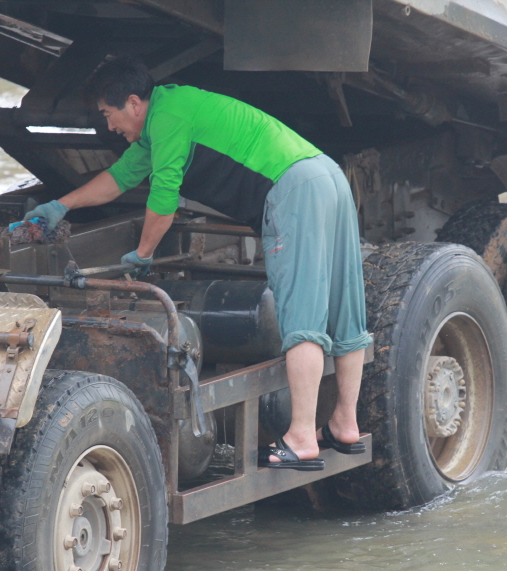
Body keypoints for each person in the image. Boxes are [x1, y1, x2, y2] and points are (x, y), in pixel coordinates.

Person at [23, 56, 371, 470]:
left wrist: (144, 253)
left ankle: (300, 438)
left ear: (133, 103)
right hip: (325, 175)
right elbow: (118, 179)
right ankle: (344, 425)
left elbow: (164, 199)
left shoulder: (168, 120)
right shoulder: (169, 115)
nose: (109, 126)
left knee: (302, 320)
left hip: (292, 190)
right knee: (345, 307)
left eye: (107, 114)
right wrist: (59, 206)